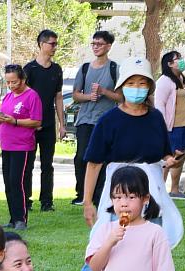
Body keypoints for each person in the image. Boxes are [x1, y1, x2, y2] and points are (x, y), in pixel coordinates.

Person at [59, 57, 181, 271]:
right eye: (131, 83)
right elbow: (93, 163)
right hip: (117, 195)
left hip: (151, 195)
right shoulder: (109, 120)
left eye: (142, 83)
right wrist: (88, 201)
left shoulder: (155, 118)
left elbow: (163, 151)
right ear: (122, 86)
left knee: (149, 255)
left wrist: (169, 161)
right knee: (100, 252)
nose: (137, 88)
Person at [71, 30, 122, 206]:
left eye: (99, 44)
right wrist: (88, 97)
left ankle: (100, 194)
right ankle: (82, 194)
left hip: (106, 121)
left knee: (104, 159)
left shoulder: (115, 68)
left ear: (108, 46)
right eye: (93, 44)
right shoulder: (85, 68)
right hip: (85, 119)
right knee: (81, 157)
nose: (96, 47)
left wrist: (104, 92)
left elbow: (120, 97)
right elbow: (76, 95)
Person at [0, 64, 43, 231]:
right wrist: (0, 118)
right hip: (7, 145)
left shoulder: (32, 96)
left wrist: (14, 121)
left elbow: (37, 121)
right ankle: (13, 217)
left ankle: (21, 218)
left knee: (18, 182)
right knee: (8, 183)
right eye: (8, 82)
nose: (11, 85)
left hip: (22, 146)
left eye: (14, 82)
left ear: (23, 79)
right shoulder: (8, 97)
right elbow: (4, 114)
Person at [23, 29, 66, 212]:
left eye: (56, 43)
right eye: (52, 43)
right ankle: (27, 200)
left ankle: (47, 202)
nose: (55, 47)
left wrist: (61, 124)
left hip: (49, 124)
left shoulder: (57, 69)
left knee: (47, 165)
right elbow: (23, 97)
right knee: (28, 164)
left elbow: (58, 97)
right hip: (31, 125)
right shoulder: (29, 69)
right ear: (42, 44)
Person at [155, 50, 185, 199]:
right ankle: (160, 188)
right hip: (171, 126)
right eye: (178, 59)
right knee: (170, 158)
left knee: (181, 157)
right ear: (169, 64)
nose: (181, 61)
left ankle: (174, 189)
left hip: (184, 125)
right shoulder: (164, 80)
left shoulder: (182, 79)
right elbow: (160, 104)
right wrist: (162, 126)